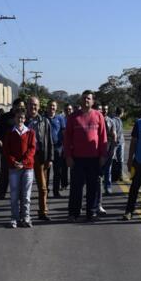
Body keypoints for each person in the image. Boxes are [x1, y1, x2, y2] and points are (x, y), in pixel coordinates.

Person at [65, 91, 108, 221]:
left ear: (93, 101)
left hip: (94, 158)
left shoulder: (98, 115)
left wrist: (103, 155)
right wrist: (68, 156)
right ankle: (74, 212)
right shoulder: (73, 117)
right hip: (77, 159)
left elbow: (103, 137)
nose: (86, 100)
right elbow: (67, 138)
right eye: (84, 98)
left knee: (93, 187)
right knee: (76, 187)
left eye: (88, 99)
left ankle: (92, 211)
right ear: (80, 100)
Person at [4, 109, 36, 228]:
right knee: (14, 195)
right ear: (14, 118)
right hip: (14, 168)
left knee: (26, 195)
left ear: (25, 119)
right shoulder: (10, 133)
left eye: (22, 118)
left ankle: (26, 217)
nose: (20, 120)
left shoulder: (30, 132)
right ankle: (14, 218)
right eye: (18, 117)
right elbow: (6, 150)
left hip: (27, 167)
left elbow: (32, 149)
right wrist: (14, 162)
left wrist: (23, 162)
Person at [25, 97, 54, 222]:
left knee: (42, 187)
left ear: (38, 107)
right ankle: (24, 213)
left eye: (35, 105)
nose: (33, 107)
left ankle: (43, 211)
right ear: (27, 106)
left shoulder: (45, 121)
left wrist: (50, 158)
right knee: (25, 187)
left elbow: (49, 141)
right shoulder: (22, 120)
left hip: (40, 158)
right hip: (25, 158)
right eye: (31, 105)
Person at [0, 100, 26, 200]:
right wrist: (0, 142)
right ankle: (1, 194)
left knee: (20, 174)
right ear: (14, 106)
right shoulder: (5, 117)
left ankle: (18, 194)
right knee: (4, 173)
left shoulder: (24, 117)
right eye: (19, 106)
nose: (21, 109)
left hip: (20, 151)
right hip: (7, 150)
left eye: (23, 107)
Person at [47, 100, 67, 197]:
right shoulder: (43, 118)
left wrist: (64, 147)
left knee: (57, 172)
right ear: (47, 107)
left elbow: (64, 133)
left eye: (54, 106)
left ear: (56, 107)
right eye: (50, 106)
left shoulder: (60, 118)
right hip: (46, 149)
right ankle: (45, 192)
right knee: (46, 172)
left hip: (58, 148)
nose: (52, 108)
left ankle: (56, 191)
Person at [101, 104, 121, 196]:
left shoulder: (111, 121)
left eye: (106, 109)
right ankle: (98, 188)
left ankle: (107, 187)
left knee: (108, 169)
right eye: (103, 109)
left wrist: (113, 150)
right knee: (98, 170)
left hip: (108, 147)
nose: (104, 111)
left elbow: (114, 136)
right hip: (98, 149)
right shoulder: (96, 120)